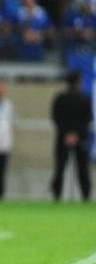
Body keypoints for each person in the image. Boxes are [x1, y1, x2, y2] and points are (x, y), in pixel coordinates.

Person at [50, 70, 93, 202]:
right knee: (82, 169)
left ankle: (57, 195)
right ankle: (85, 196)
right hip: (80, 138)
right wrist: (76, 134)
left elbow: (56, 118)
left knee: (60, 168)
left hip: (63, 137)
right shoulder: (85, 99)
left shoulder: (59, 98)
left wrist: (68, 133)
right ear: (78, 82)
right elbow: (88, 119)